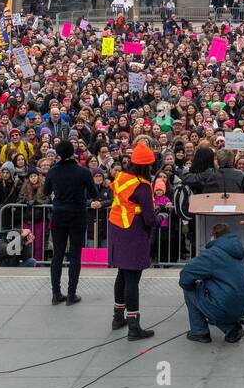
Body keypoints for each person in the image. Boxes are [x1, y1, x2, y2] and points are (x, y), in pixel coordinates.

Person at [108, 140, 160, 340]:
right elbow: (149, 218)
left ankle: (117, 317)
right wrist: (160, 218)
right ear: (145, 165)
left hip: (117, 228)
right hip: (133, 232)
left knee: (122, 275)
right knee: (132, 279)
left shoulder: (122, 176)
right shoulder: (143, 186)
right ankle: (133, 326)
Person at [44, 138, 100, 306]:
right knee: (75, 254)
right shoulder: (82, 171)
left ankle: (55, 294)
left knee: (58, 255)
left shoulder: (53, 171)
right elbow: (93, 192)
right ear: (72, 152)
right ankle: (71, 294)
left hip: (59, 213)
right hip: (77, 213)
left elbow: (46, 190)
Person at [180, 223, 244, 343]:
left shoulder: (212, 253)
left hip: (224, 305)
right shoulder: (237, 251)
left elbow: (186, 274)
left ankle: (199, 332)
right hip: (243, 306)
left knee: (190, 289)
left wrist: (190, 285)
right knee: (218, 297)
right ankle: (231, 329)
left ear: (213, 236)